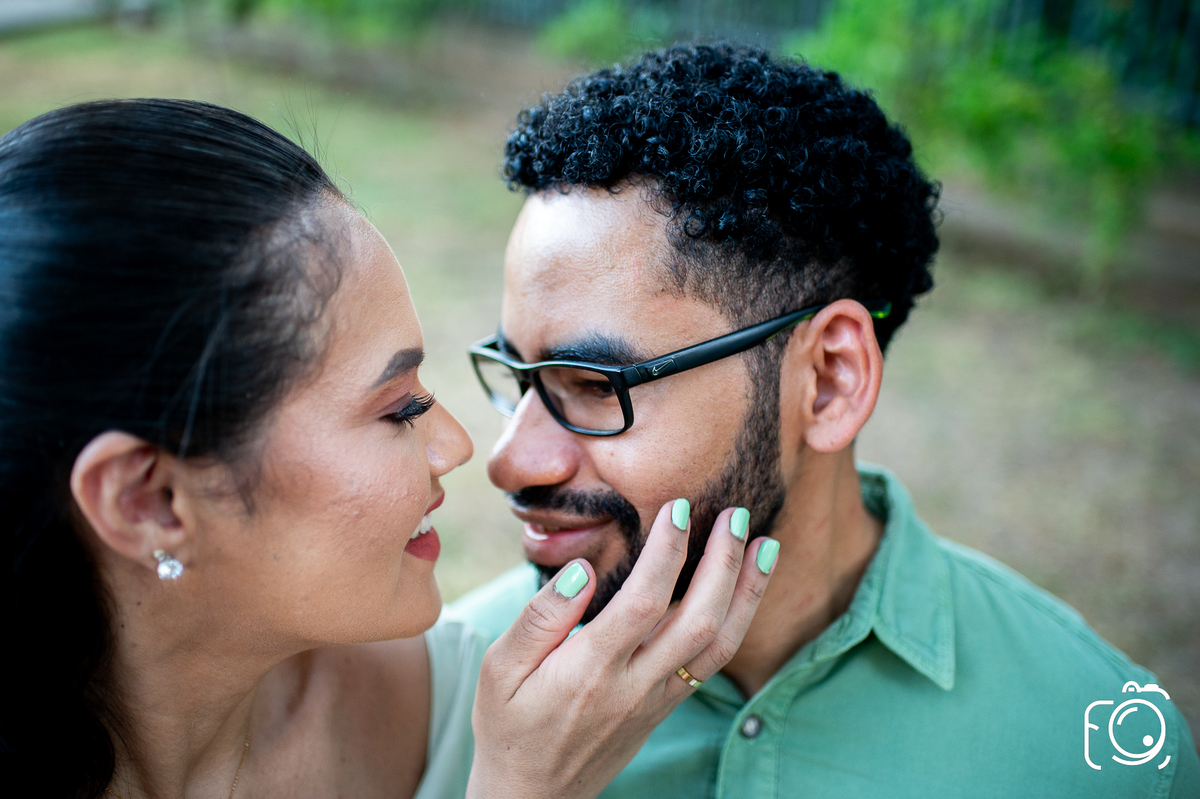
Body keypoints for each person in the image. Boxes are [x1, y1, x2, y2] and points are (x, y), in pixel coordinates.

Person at [451, 43, 1200, 796]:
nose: (511, 460)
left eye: (592, 384)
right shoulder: (441, 681)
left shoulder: (1096, 744)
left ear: (830, 380)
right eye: (516, 374)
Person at [0, 98, 777, 799]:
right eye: (397, 409)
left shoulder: (467, 695)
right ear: (148, 500)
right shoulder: (528, 753)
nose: (465, 447)